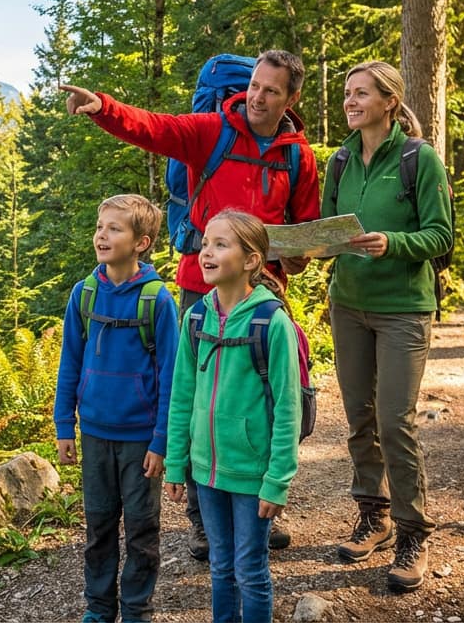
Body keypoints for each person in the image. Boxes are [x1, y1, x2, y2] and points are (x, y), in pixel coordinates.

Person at [60, 49, 319, 557]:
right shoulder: (212, 131)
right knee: (200, 398)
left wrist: (297, 255)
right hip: (201, 289)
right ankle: (204, 519)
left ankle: (260, 507)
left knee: (263, 400)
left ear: (292, 97)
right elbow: (155, 128)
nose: (258, 97)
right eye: (254, 86)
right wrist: (103, 108)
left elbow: (304, 227)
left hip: (262, 295)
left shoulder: (296, 154)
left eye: (271, 90)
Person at [321, 61, 454, 592]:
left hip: (403, 307)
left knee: (395, 421)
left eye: (360, 94)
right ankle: (373, 517)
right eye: (347, 94)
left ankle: (412, 532)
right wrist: (306, 251)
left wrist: (392, 243)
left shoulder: (419, 160)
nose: (350, 102)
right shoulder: (339, 161)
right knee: (359, 417)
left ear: (389, 103)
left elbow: (441, 236)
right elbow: (329, 231)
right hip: (348, 304)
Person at [164, 210, 300, 623]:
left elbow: (288, 408)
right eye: (206, 243)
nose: (207, 252)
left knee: (251, 570)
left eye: (221, 245)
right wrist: (175, 463)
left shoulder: (272, 323)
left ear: (252, 260)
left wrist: (277, 482)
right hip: (205, 473)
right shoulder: (195, 317)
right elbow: (181, 396)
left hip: (251, 474)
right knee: (221, 568)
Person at [55, 193, 181, 623]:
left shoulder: (158, 300)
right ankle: (98, 608)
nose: (101, 236)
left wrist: (162, 442)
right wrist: (63, 427)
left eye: (114, 228)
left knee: (143, 530)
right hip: (93, 432)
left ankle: (137, 610)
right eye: (99, 227)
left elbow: (172, 379)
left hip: (140, 438)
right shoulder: (84, 294)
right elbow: (69, 361)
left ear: (141, 242)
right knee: (99, 527)